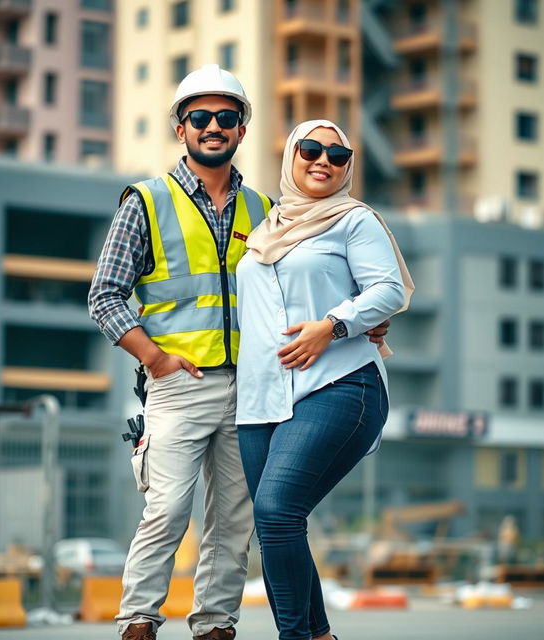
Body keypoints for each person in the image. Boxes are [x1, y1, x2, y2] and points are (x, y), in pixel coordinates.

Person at [88, 64, 391, 640]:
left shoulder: (267, 211)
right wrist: (154, 360)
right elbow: (104, 296)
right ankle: (138, 622)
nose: (213, 127)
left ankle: (214, 626)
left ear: (242, 131)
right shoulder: (146, 201)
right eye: (200, 118)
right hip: (177, 383)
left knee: (236, 520)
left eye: (226, 118)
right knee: (167, 512)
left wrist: (358, 324)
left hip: (256, 391)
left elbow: (315, 282)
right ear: (181, 128)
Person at [235, 119, 414, 640]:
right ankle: (319, 636)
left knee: (277, 508)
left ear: (348, 166)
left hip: (341, 382)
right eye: (310, 149)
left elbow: (388, 290)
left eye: (338, 155)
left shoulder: (354, 220)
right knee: (275, 526)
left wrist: (332, 326)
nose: (323, 161)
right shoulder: (267, 226)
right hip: (261, 399)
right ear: (290, 155)